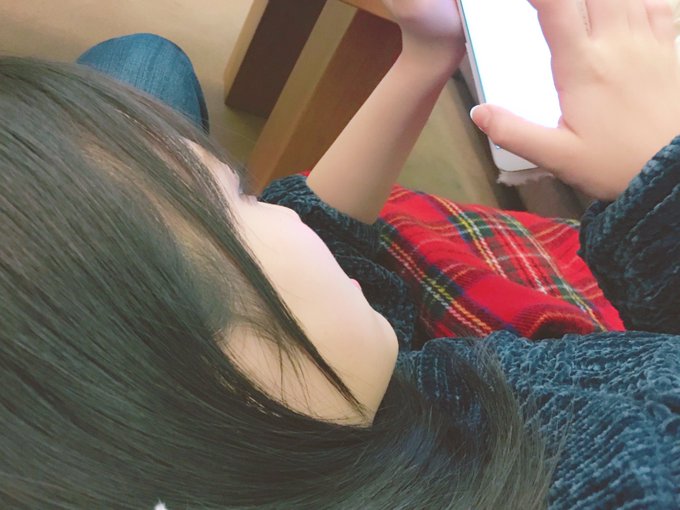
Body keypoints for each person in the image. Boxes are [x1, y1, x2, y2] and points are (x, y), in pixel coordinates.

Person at [0, 0, 678, 508]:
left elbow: (320, 287)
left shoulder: (297, 436)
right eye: (241, 202)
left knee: (142, 59)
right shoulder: (624, 477)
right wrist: (658, 190)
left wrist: (426, 52)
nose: (285, 213)